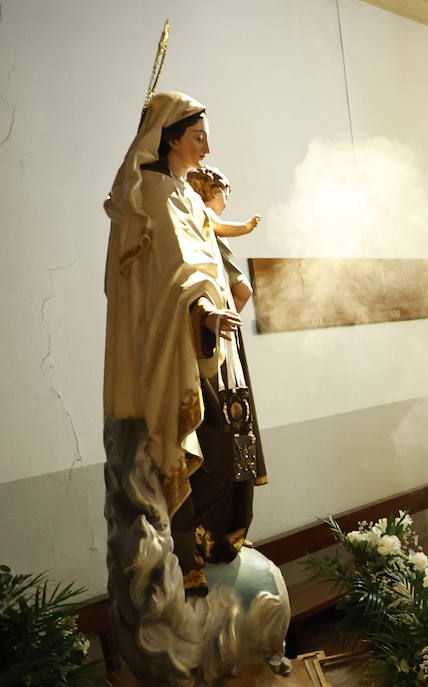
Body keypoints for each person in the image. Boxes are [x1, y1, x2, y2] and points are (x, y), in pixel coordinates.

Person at [104, 90, 256, 600]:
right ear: (170, 138)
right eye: (198, 137)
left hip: (212, 340)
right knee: (205, 439)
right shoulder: (147, 193)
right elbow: (168, 274)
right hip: (177, 342)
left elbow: (209, 260)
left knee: (234, 439)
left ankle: (221, 537)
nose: (206, 149)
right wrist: (203, 308)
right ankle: (188, 551)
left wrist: (216, 309)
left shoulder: (189, 196)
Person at [185, 165, 261, 311]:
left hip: (224, 263)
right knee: (243, 290)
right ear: (216, 193)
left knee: (237, 294)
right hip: (222, 263)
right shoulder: (207, 212)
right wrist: (246, 227)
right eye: (226, 195)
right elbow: (221, 227)